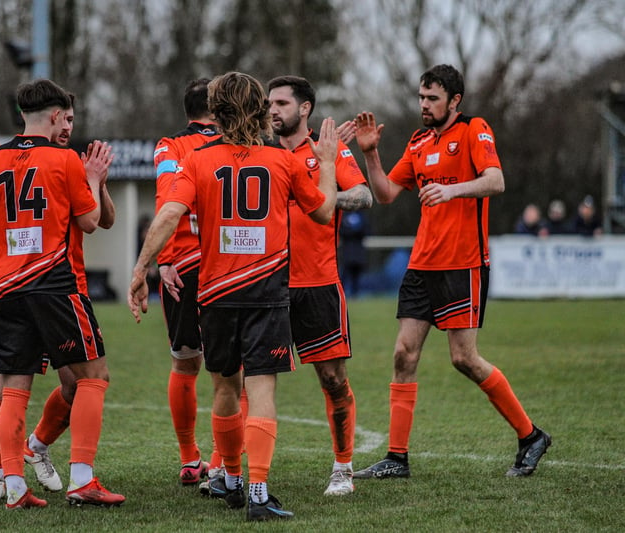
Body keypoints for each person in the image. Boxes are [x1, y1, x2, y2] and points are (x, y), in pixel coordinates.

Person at [129, 71, 337, 521]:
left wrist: (143, 264)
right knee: (261, 388)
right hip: (266, 292)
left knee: (224, 386)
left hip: (216, 293)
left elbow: (169, 213)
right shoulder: (282, 160)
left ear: (217, 111)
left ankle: (232, 477)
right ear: (260, 109)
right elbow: (322, 212)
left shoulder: (198, 160)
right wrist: (331, 163)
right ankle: (259, 492)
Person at [344, 64, 551, 479]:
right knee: (403, 354)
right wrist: (369, 153)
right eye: (421, 97)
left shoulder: (475, 129)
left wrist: (453, 188)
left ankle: (530, 435)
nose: (424, 105)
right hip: (422, 264)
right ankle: (397, 458)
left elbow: (496, 181)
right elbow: (384, 194)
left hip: (464, 263)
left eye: (432, 98)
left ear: (454, 101)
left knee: (464, 359)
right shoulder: (419, 141)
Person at [0, 79, 124, 509]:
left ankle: (14, 484)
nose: (69, 124)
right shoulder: (64, 159)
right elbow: (90, 222)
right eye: (65, 117)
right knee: (93, 377)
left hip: (9, 289)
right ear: (53, 116)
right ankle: (78, 479)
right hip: (54, 285)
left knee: (15, 389)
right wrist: (89, 178)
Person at [267, 75, 373, 496]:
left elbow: (363, 196)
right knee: (246, 378)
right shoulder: (262, 154)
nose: (272, 110)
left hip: (318, 283)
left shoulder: (328, 153)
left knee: (332, 378)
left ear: (305, 108)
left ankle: (343, 468)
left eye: (281, 103)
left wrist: (309, 193)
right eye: (268, 103)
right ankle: (230, 471)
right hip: (267, 284)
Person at [153, 78, 221, 486]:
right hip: (228, 265)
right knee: (233, 368)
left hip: (181, 263)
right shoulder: (236, 143)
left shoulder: (169, 146)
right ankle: (221, 459)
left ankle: (189, 458)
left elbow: (166, 200)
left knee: (185, 360)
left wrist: (164, 259)